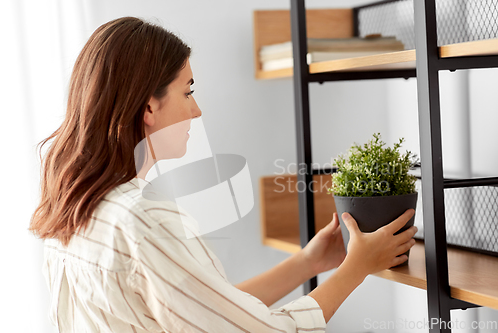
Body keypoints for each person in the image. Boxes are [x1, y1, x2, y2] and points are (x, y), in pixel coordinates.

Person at [30, 17, 417, 332]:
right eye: (188, 92)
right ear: (149, 107)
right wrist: (356, 269)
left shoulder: (78, 209)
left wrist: (309, 263)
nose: (196, 111)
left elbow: (206, 310)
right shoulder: (144, 218)